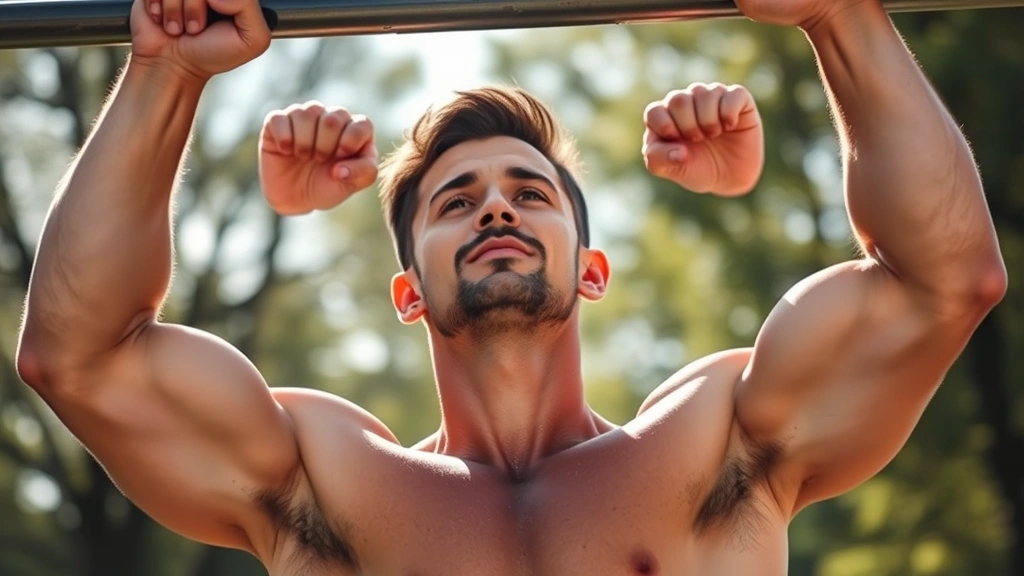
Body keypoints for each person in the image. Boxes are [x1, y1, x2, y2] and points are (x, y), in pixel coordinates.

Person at [15, 0, 1006, 573]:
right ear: (407, 294)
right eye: (454, 202)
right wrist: (169, 75)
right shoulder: (327, 489)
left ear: (589, 267)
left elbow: (943, 278)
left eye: (528, 192)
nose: (494, 209)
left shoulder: (715, 450)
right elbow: (78, 354)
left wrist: (840, 17)